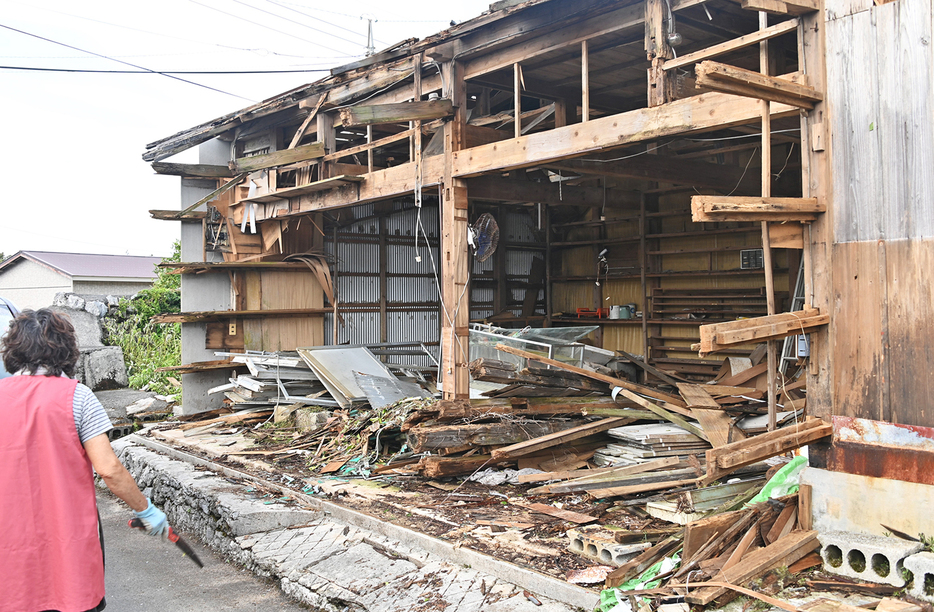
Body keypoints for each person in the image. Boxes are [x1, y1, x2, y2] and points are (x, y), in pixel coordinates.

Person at [0, 309, 170, 612]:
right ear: (66, 349)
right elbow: (109, 469)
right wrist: (146, 510)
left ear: (13, 349)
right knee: (72, 596)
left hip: (9, 539)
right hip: (68, 537)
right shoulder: (78, 397)